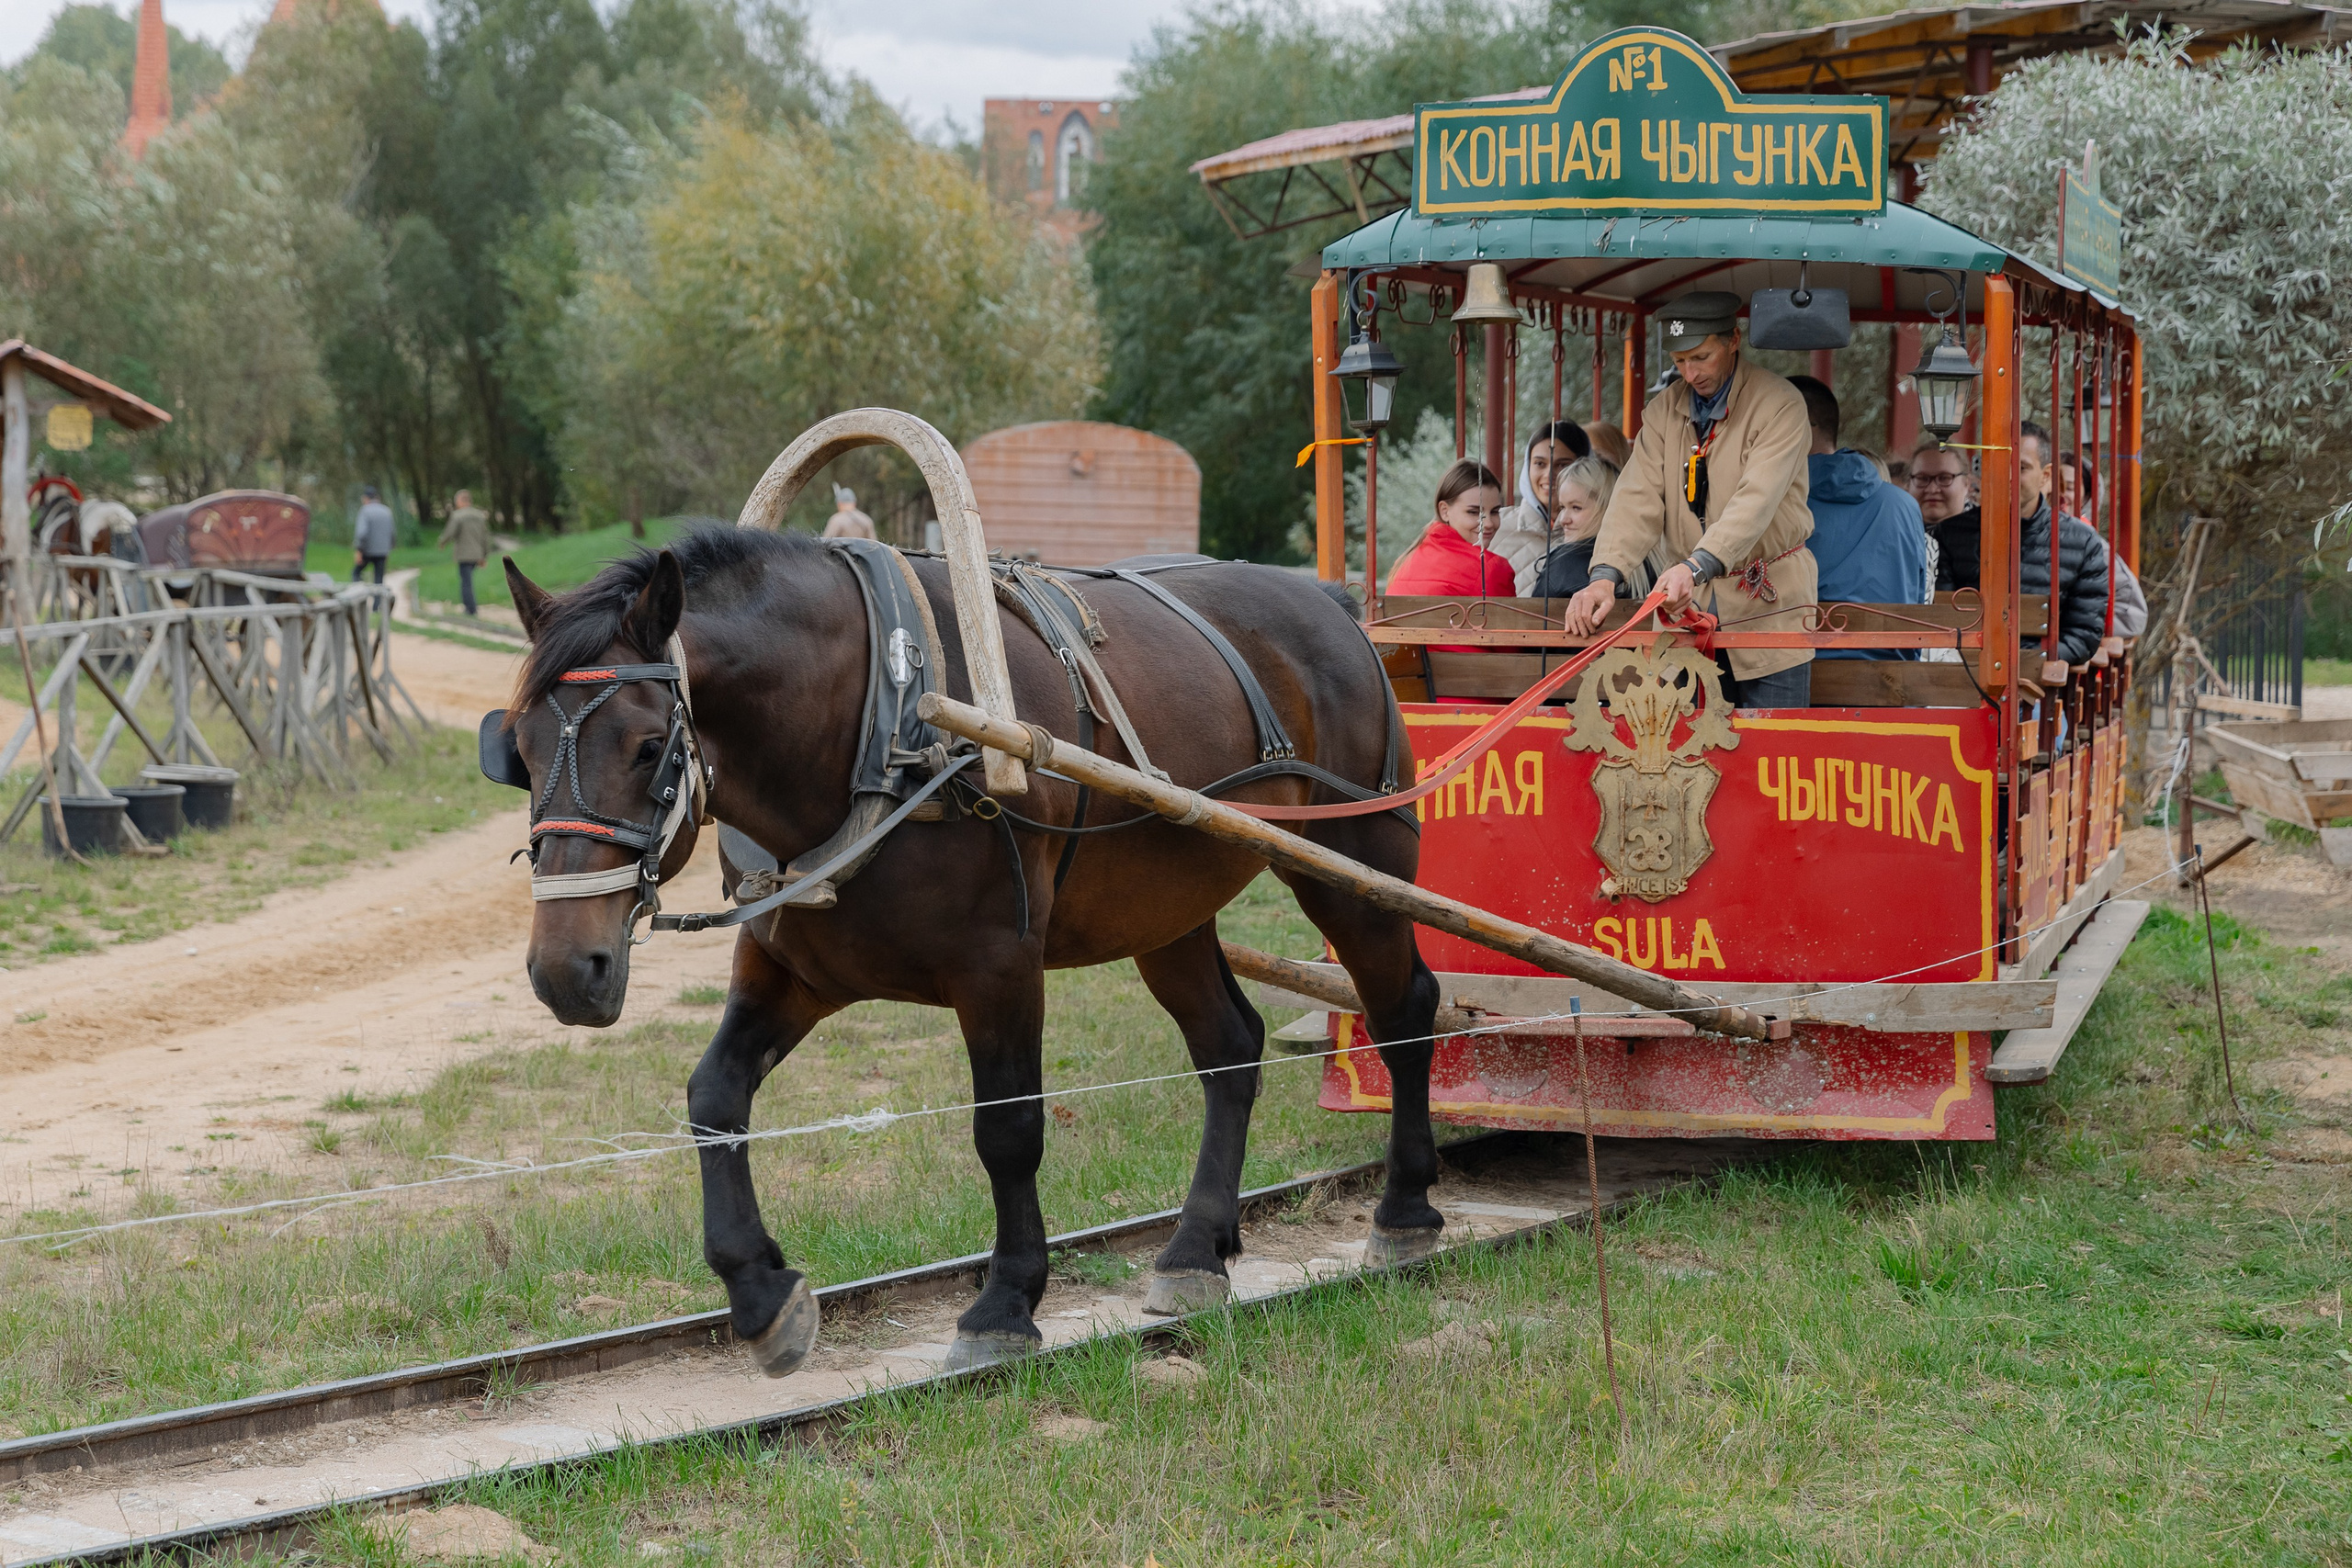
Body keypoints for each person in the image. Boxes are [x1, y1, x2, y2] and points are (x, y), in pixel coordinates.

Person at [1559, 291, 1817, 708]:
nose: (1690, 374)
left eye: (1701, 357)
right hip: (1689, 611)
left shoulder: (1780, 405)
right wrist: (1604, 576)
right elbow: (1635, 496)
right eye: (1679, 361)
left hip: (1770, 608)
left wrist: (1695, 566)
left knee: (1773, 757)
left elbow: (1755, 502)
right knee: (1688, 758)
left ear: (1734, 340)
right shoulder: (1664, 410)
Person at [1935, 422, 2111, 683]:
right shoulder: (1950, 535)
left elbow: (2084, 635)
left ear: (2046, 475)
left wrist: (2027, 664)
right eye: (1996, 463)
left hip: (2041, 689)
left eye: (2021, 468)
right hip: (1962, 681)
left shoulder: (2083, 543)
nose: (2006, 475)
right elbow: (1942, 621)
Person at [1787, 377, 1925, 661]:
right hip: (1892, 678)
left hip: (1800, 672)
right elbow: (1915, 595)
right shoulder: (1905, 505)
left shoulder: (1779, 504)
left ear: (1795, 426)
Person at [1385, 460, 1513, 598]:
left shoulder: (1403, 562)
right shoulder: (1491, 568)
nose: (1488, 523)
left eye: (1495, 512)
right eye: (1474, 512)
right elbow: (1511, 620)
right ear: (1444, 511)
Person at [1489, 421, 1590, 593]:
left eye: (1563, 465)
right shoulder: (1495, 526)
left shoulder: (1600, 533)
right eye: (1539, 464)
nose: (1549, 475)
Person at [1530, 455, 1621, 598]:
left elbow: (1534, 617)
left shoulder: (1565, 563)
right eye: (1562, 508)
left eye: (1576, 508)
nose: (1563, 520)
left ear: (1608, 508)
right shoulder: (1647, 562)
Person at [438, 488, 491, 617]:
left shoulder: (458, 516)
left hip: (464, 555)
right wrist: (484, 556)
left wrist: (442, 542)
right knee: (468, 580)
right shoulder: (479, 515)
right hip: (477, 554)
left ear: (461, 501)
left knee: (466, 582)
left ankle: (470, 609)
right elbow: (485, 537)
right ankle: (471, 607)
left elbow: (450, 532)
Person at [352, 485, 394, 583]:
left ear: (365, 498)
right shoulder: (387, 511)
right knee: (379, 580)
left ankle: (359, 596)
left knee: (356, 573)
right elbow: (392, 533)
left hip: (367, 551)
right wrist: (388, 549)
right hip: (382, 552)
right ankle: (378, 599)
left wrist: (359, 550)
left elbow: (362, 533)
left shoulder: (365, 511)